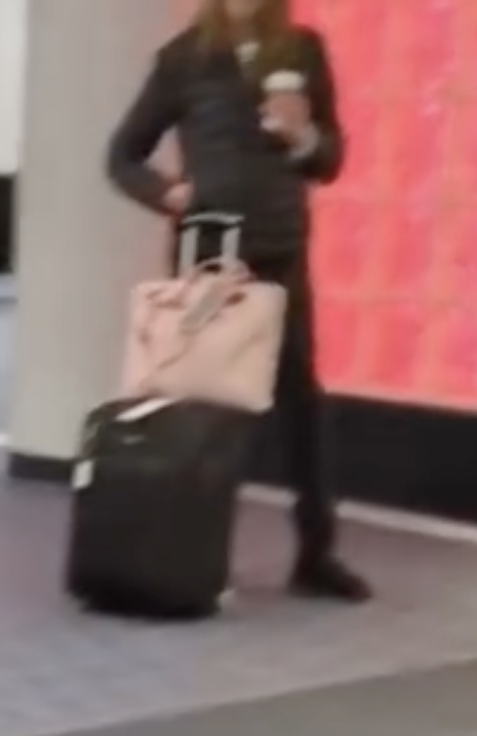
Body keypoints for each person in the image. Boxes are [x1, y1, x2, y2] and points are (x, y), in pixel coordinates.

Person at [106, 0, 371, 602]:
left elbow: (330, 160)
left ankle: (316, 553)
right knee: (203, 409)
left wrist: (303, 137)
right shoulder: (184, 58)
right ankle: (187, 556)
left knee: (302, 402)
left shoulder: (302, 50)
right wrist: (168, 194)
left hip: (282, 247)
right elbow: (121, 156)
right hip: (210, 253)